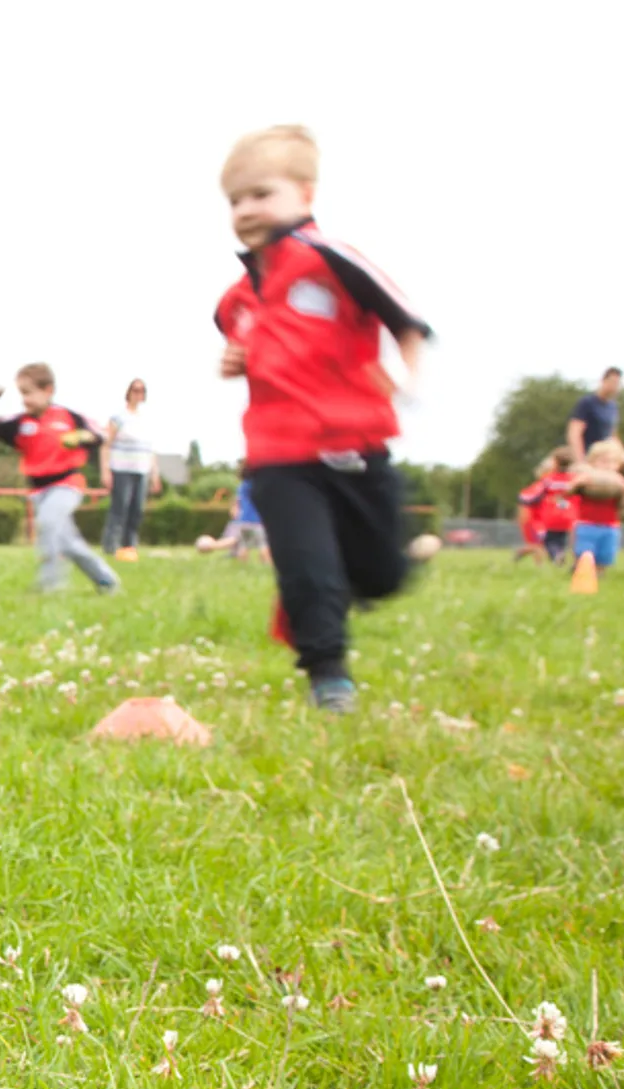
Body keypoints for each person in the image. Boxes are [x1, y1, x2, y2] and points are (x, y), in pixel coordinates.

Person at [214, 125, 428, 714]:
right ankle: (328, 675)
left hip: (359, 443)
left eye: (262, 194)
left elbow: (406, 320)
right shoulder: (236, 297)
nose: (246, 209)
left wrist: (407, 378)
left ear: (305, 195)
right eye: (235, 200)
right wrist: (235, 358)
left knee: (383, 575)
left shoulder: (332, 259)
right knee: (307, 567)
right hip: (279, 455)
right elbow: (240, 340)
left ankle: (346, 583)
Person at [0, 364, 119, 594]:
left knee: (48, 523)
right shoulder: (20, 423)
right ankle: (106, 580)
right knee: (67, 541)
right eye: (21, 393)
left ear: (48, 390)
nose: (24, 399)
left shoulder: (69, 417)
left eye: (28, 392)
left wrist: (82, 436)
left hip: (67, 484)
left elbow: (102, 435)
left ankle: (50, 584)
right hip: (38, 490)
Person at [100, 379, 161, 560]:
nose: (138, 393)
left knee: (137, 510)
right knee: (120, 507)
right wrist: (105, 469)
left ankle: (129, 546)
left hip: (141, 468)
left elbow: (151, 450)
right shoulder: (118, 417)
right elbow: (106, 445)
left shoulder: (146, 418)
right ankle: (111, 546)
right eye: (135, 390)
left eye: (141, 390)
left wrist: (154, 473)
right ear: (129, 392)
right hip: (121, 467)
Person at [570, 439, 624, 572]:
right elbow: (567, 493)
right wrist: (577, 484)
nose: (608, 465)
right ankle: (580, 573)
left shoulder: (618, 480)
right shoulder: (587, 476)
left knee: (605, 556)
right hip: (586, 523)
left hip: (610, 525)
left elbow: (623, 506)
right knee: (584, 554)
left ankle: (599, 576)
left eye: (612, 462)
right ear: (592, 462)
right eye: (603, 461)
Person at [568, 369, 624, 462]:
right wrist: (579, 460)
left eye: (618, 383)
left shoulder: (613, 407)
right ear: (603, 381)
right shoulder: (587, 403)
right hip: (589, 454)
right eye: (612, 382)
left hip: (606, 455)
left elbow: (613, 434)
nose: (615, 386)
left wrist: (622, 453)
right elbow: (574, 433)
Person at [229, 473, 270, 564]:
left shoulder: (243, 485)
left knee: (244, 545)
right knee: (264, 545)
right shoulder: (259, 483)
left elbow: (237, 501)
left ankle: (241, 566)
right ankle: (266, 564)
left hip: (245, 520)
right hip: (258, 520)